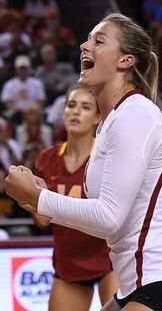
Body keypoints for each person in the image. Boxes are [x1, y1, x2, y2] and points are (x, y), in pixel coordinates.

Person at [5, 13, 162, 311]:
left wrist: (39, 197)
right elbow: (109, 228)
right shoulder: (113, 124)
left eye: (98, 40)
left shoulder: (136, 113)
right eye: (87, 39)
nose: (84, 46)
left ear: (125, 61)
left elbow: (108, 216)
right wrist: (37, 203)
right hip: (136, 286)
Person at [32, 85, 117, 310]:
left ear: (98, 117)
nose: (76, 112)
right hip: (69, 263)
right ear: (63, 113)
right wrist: (30, 199)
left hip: (111, 260)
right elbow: (41, 220)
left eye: (85, 107)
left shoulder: (108, 158)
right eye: (71, 106)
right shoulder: (46, 159)